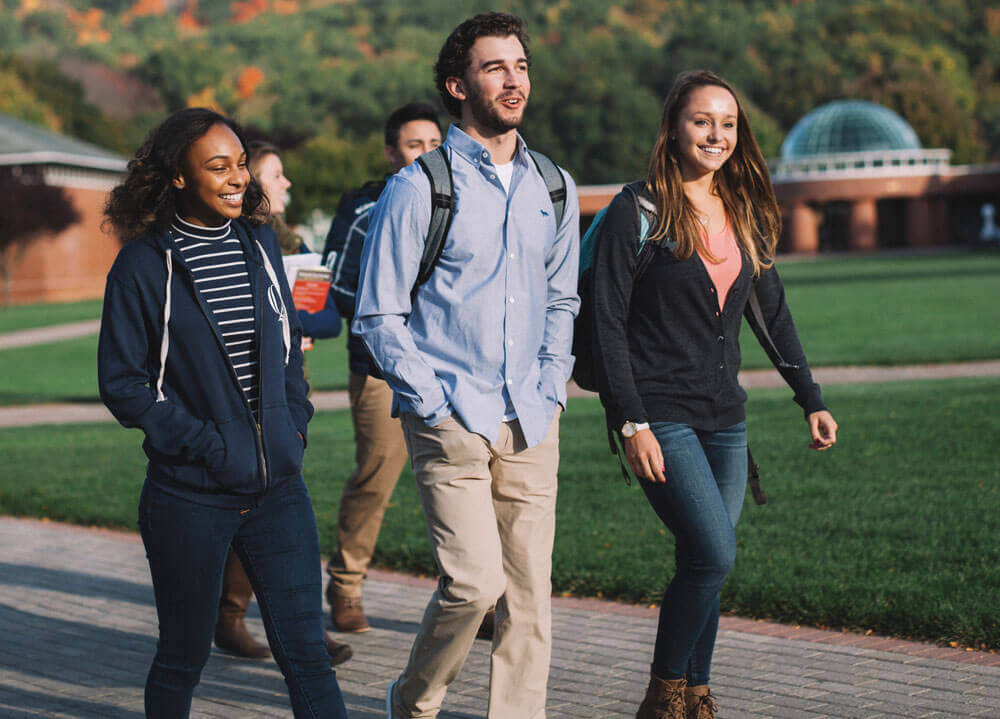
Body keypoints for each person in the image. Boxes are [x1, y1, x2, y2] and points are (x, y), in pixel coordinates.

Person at [590, 70, 839, 719]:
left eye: (727, 124)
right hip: (660, 413)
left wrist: (809, 396)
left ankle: (697, 694)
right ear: (674, 125)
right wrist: (630, 422)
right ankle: (665, 691)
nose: (716, 135)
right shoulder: (636, 210)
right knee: (713, 550)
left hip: (726, 420)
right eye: (703, 121)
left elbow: (775, 315)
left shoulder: (746, 210)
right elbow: (606, 322)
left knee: (707, 561)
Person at [354, 13, 579, 718]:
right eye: (494, 68)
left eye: (521, 65)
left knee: (530, 599)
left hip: (532, 416)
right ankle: (413, 699)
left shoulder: (554, 185)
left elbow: (563, 297)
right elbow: (377, 314)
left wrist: (551, 387)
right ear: (458, 84)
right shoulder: (420, 187)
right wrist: (434, 405)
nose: (514, 80)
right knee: (475, 585)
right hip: (451, 415)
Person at [97, 107, 348, 718]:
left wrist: (293, 421)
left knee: (308, 655)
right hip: (189, 496)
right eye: (218, 167)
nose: (238, 177)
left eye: (240, 164)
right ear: (178, 176)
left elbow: (287, 346)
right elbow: (124, 384)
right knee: (182, 658)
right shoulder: (142, 264)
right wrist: (208, 445)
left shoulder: (259, 242)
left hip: (279, 491)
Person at [211, 139, 351, 666]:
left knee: (275, 518)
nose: (284, 183)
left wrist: (288, 317)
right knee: (256, 517)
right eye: (275, 175)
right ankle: (234, 617)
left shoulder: (289, 241)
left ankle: (254, 622)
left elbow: (325, 319)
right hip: (240, 399)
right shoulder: (231, 239)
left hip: (289, 401)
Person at [320, 103, 443, 634]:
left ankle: (474, 599)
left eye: (435, 144)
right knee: (376, 479)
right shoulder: (365, 207)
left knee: (459, 481)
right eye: (415, 146)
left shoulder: (461, 200)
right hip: (379, 367)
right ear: (392, 152)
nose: (426, 155)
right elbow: (338, 287)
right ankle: (346, 586)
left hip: (450, 368)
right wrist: (396, 309)